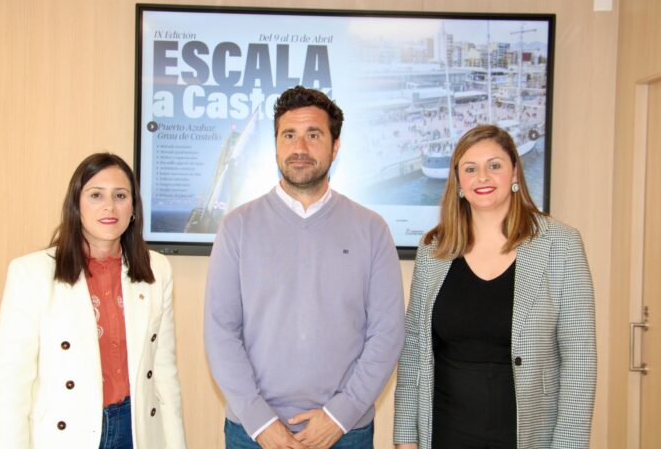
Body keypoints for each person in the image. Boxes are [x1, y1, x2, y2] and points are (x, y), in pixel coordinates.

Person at [205, 86, 405, 449]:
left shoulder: (371, 229)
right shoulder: (237, 226)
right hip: (253, 433)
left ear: (335, 146)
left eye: (313, 135)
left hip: (346, 432)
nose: (300, 148)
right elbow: (221, 333)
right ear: (276, 145)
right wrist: (261, 423)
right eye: (289, 135)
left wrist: (340, 415)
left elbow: (387, 334)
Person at [393, 125, 596, 449]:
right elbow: (414, 350)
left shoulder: (560, 244)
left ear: (514, 172)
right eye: (470, 169)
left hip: (528, 433)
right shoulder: (433, 250)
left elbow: (579, 357)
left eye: (494, 165)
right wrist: (405, 437)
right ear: (458, 182)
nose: (482, 177)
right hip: (446, 430)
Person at [0, 153, 186, 449]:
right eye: (96, 195)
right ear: (76, 205)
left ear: (133, 208)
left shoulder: (157, 269)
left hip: (138, 429)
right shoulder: (31, 273)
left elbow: (164, 374)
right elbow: (11, 384)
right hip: (68, 433)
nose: (109, 206)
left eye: (120, 195)